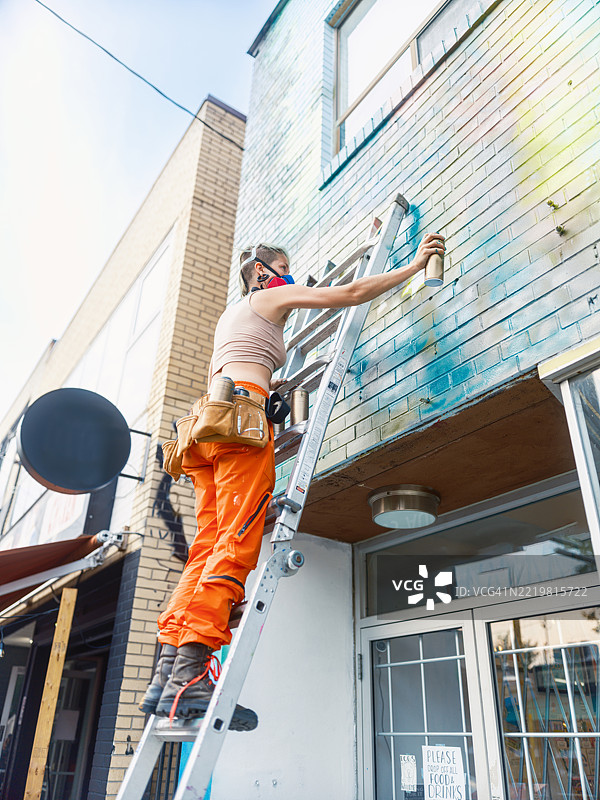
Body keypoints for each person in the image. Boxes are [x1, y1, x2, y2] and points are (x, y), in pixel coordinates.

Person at [139, 231, 446, 729]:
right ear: (260, 273)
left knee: (207, 549)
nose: (287, 276)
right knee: (236, 544)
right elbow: (346, 295)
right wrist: (413, 267)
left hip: (206, 431)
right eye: (281, 267)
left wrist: (272, 382)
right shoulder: (268, 296)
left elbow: (244, 364)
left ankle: (167, 678)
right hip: (239, 425)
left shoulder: (231, 319)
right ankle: (192, 682)